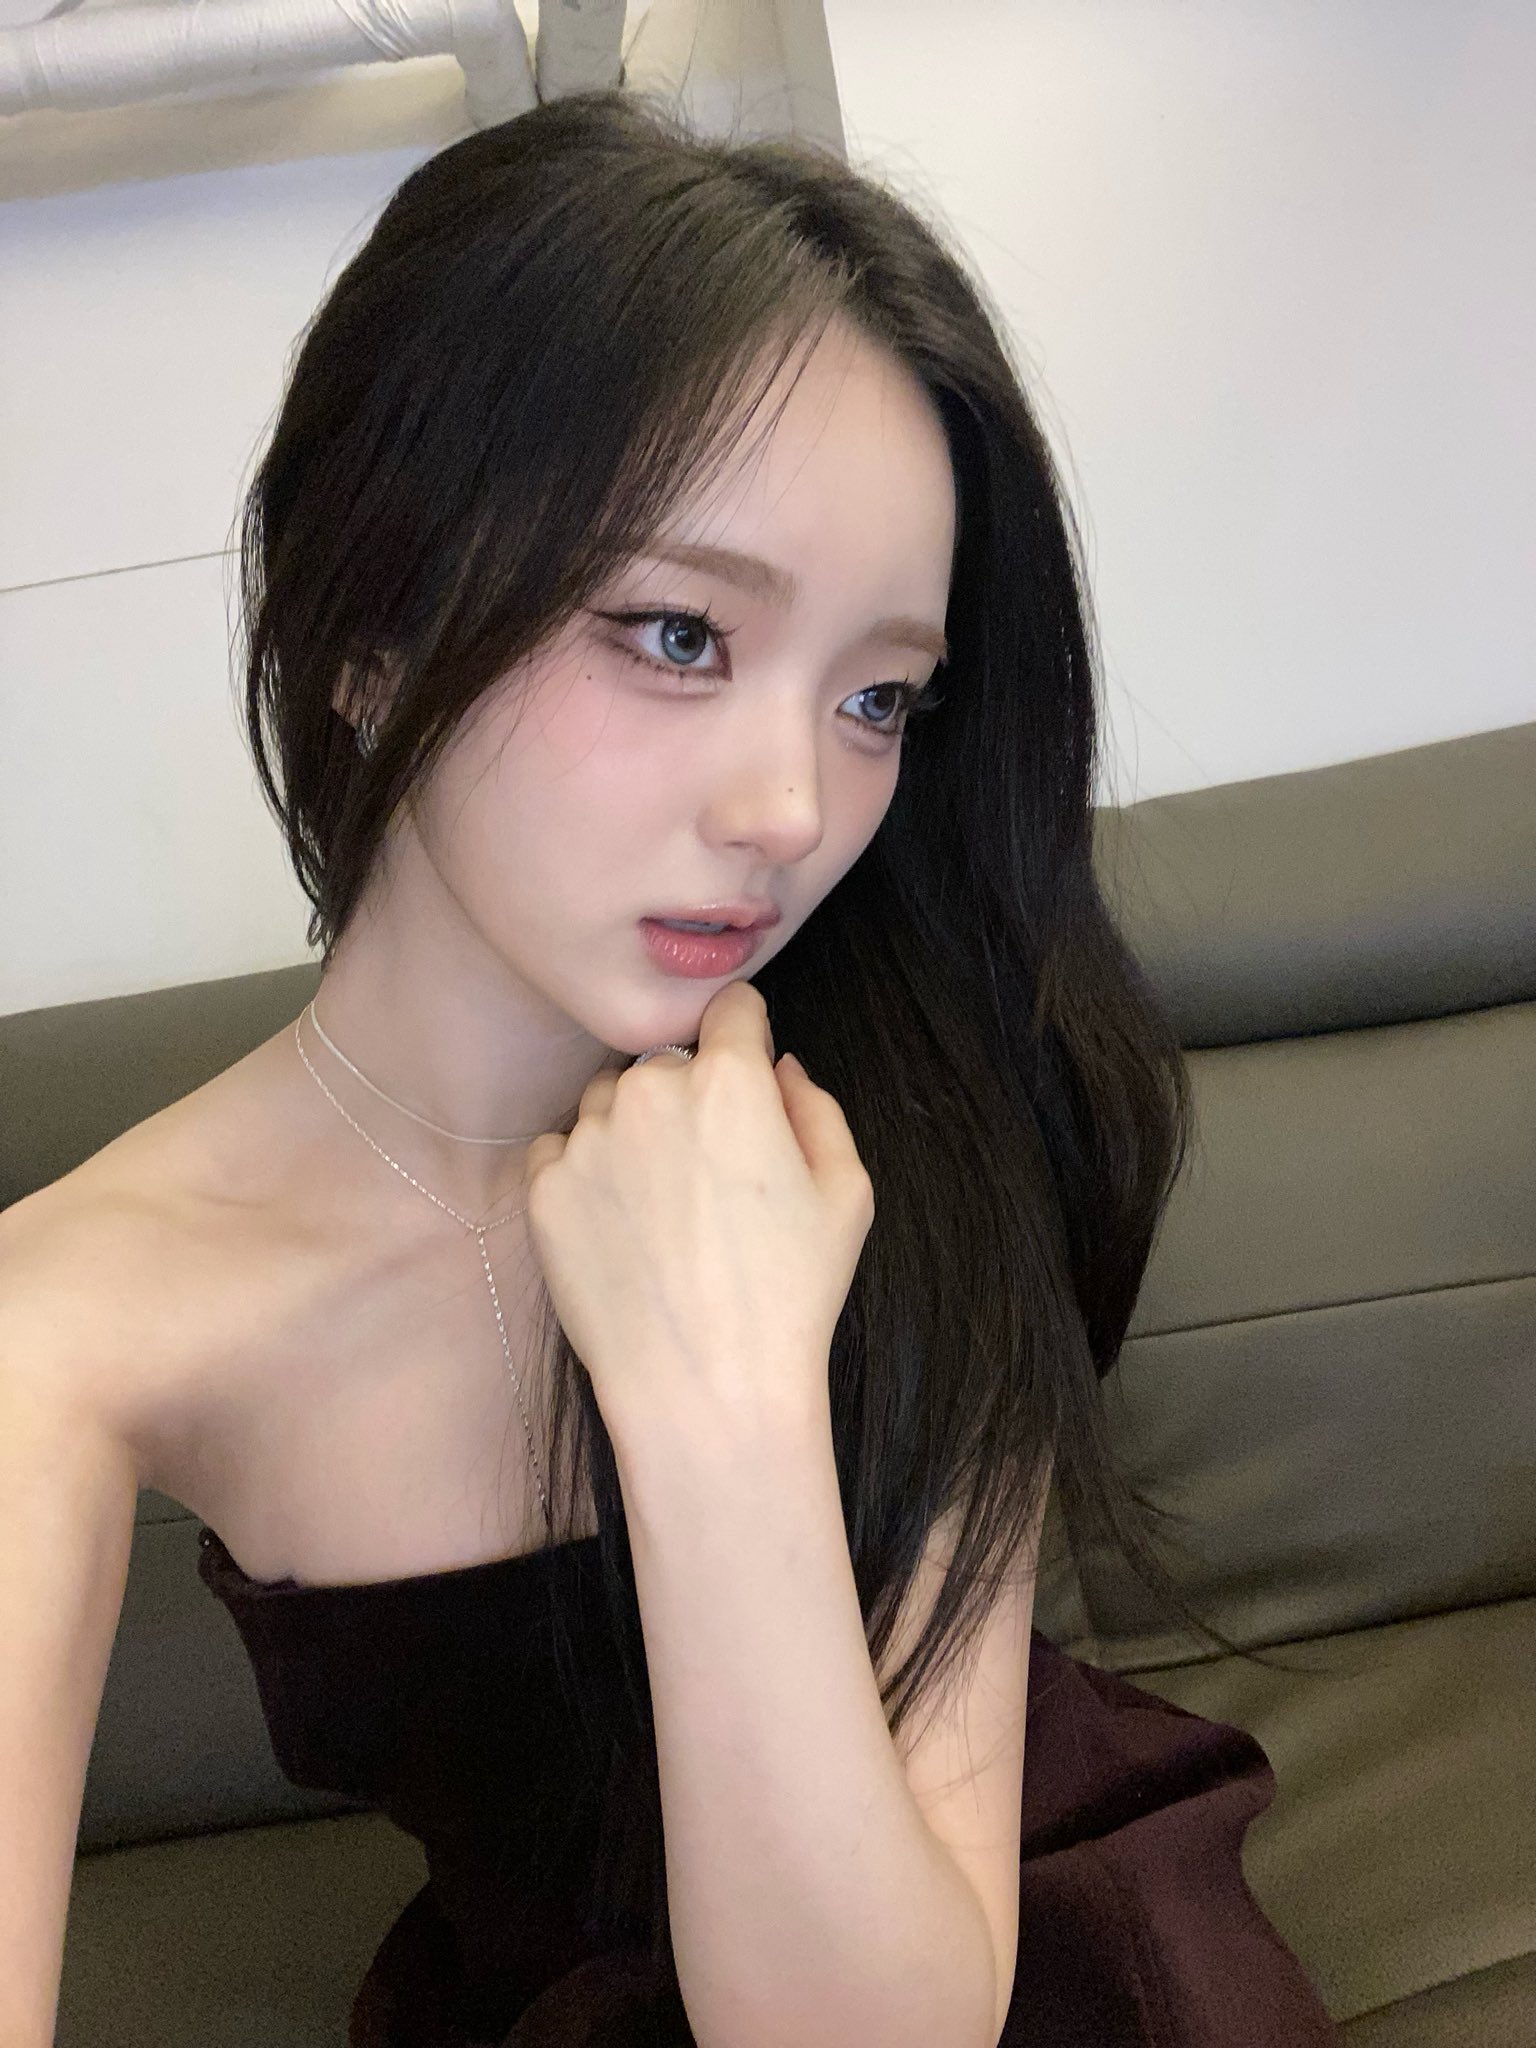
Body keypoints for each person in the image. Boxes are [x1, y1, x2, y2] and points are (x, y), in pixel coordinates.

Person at [0, 87, 1340, 2048]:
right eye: (679, 636)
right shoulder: (59, 1325)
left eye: (879, 696)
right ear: (370, 628)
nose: (794, 807)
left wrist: (726, 1401)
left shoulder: (918, 1107)